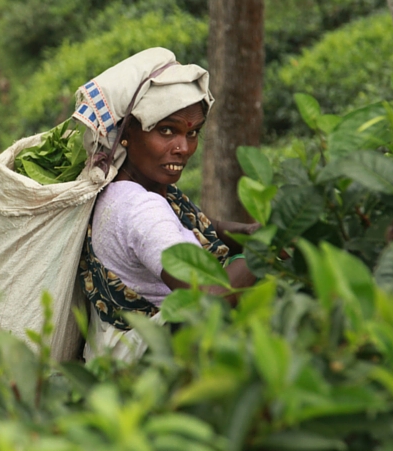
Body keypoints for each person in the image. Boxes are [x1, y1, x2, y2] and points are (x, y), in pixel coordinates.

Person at [72, 48, 258, 361]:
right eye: (166, 130)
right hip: (147, 370)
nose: (184, 148)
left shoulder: (124, 189)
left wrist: (245, 230)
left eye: (193, 132)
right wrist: (261, 254)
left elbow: (194, 227)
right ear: (128, 131)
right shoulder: (142, 211)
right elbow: (210, 301)